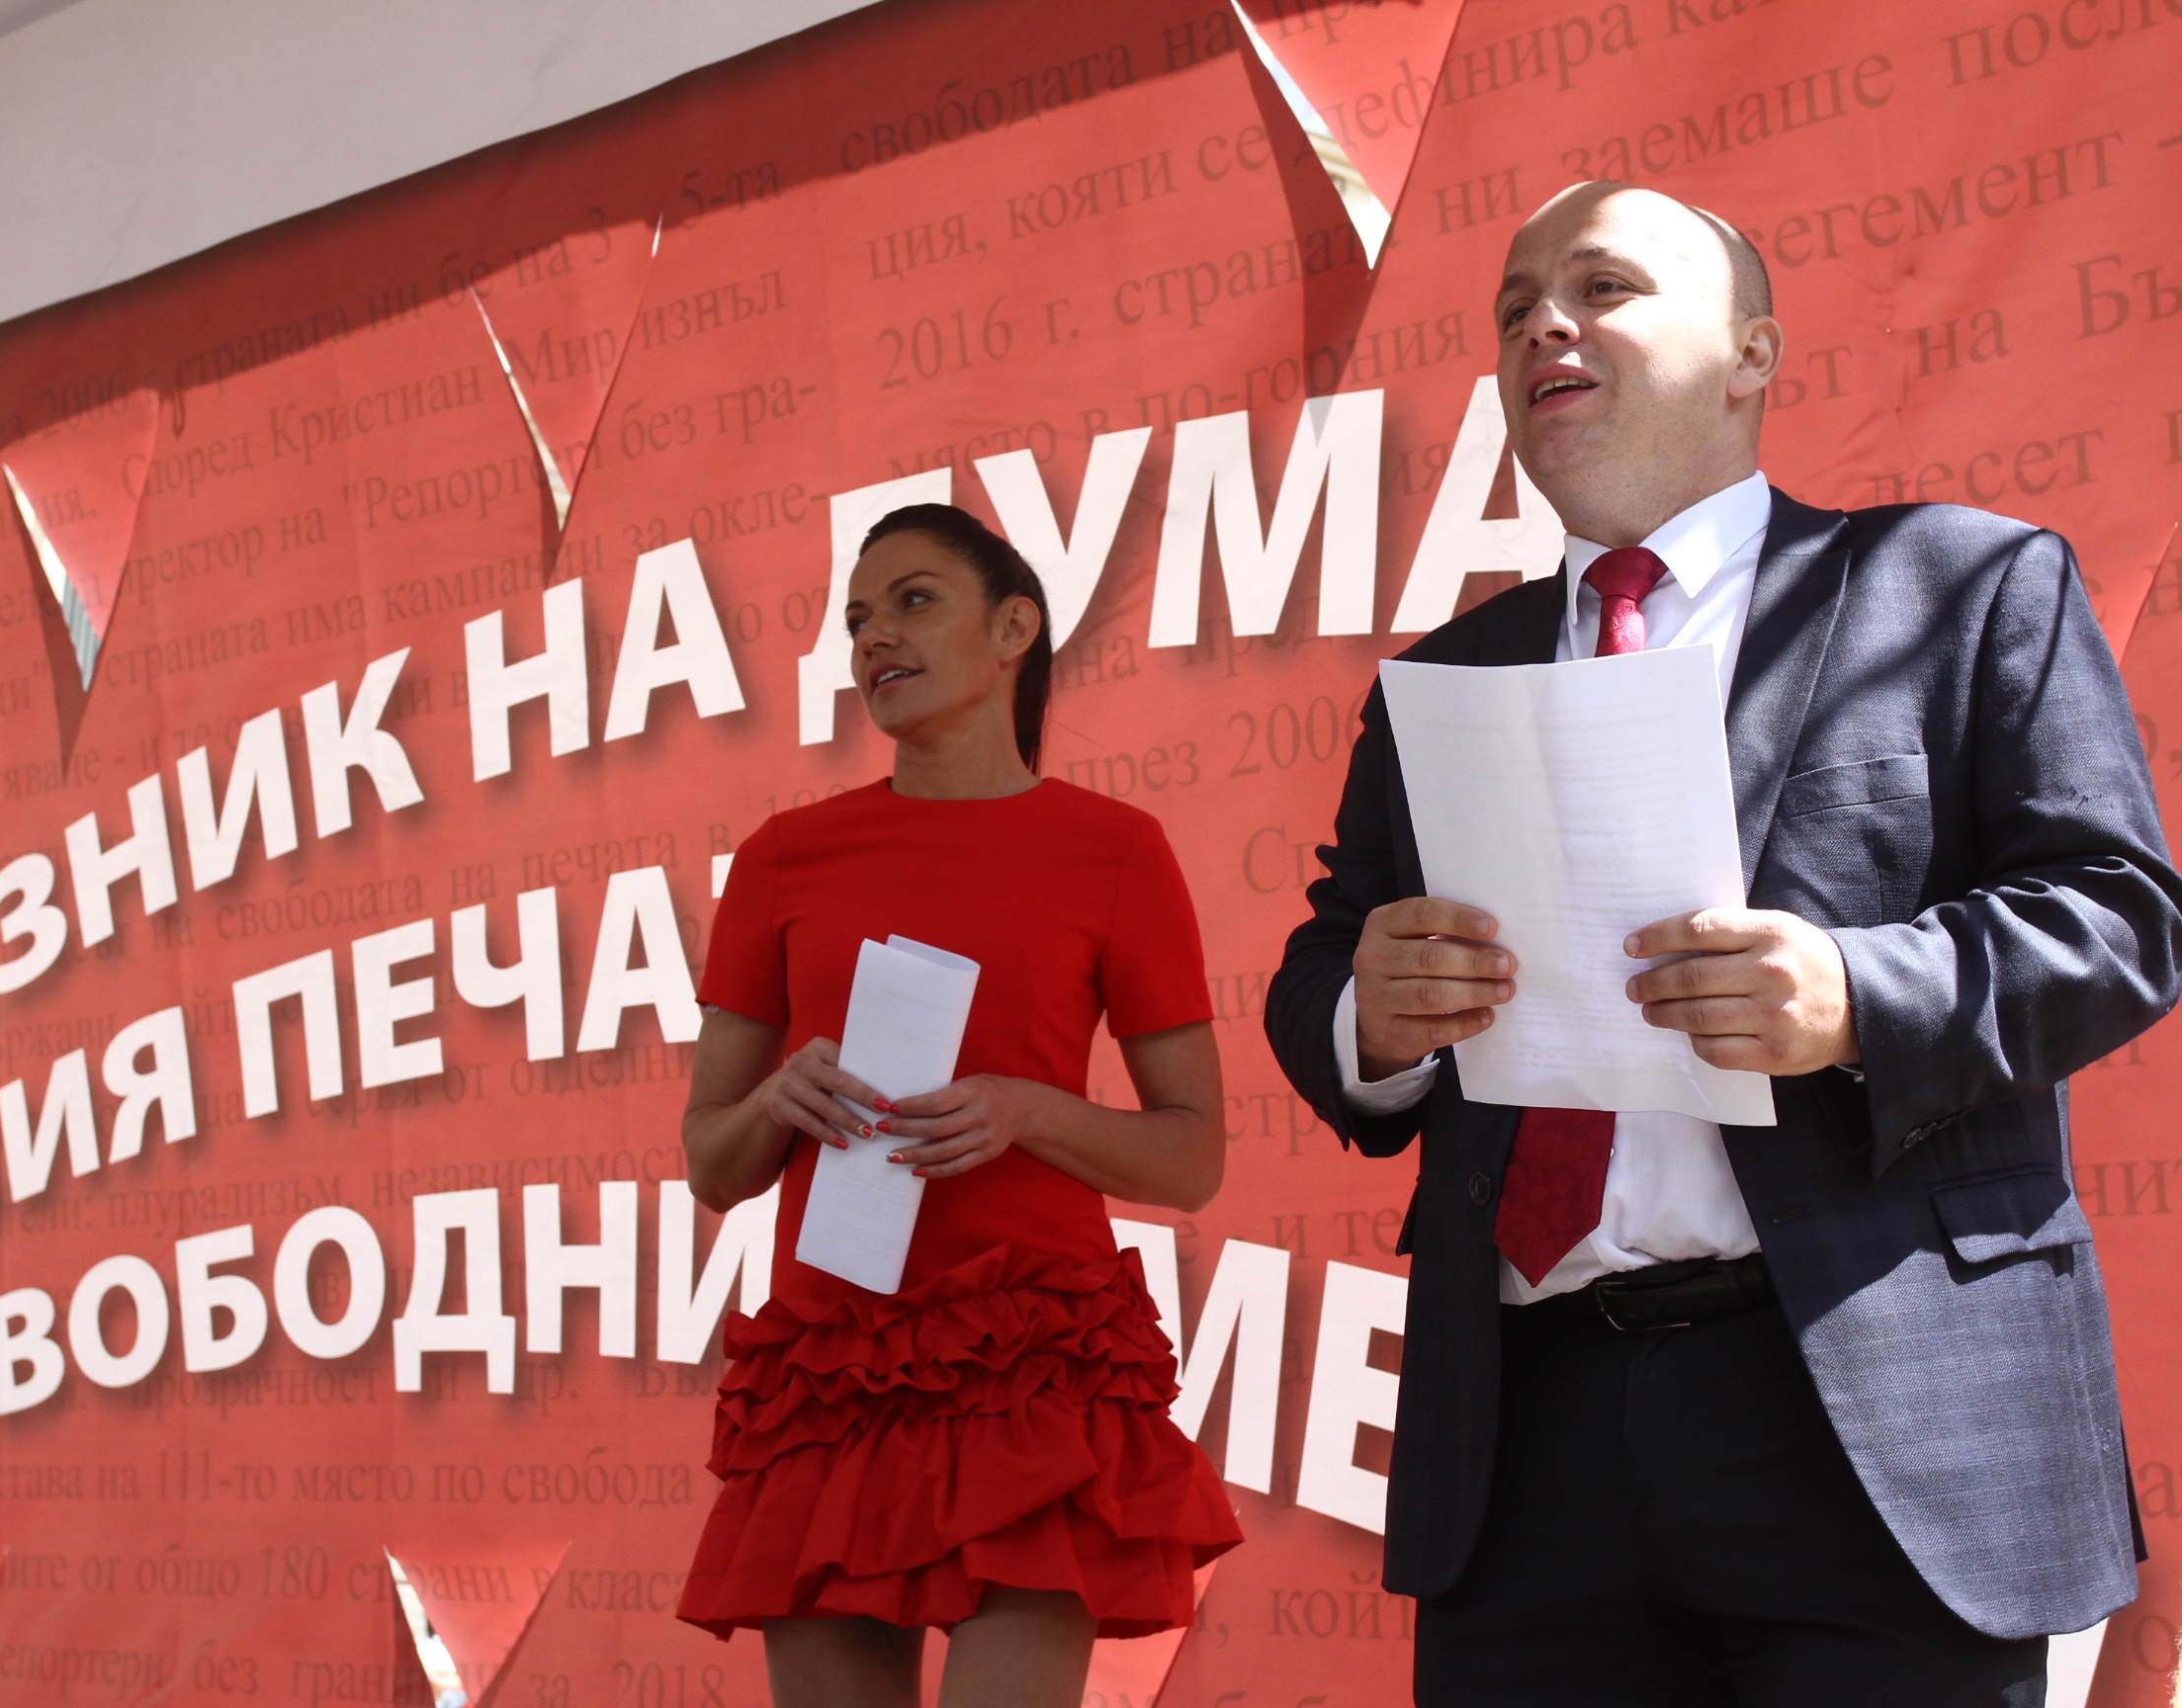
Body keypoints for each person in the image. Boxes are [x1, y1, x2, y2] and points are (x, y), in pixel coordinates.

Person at [1266, 181, 2182, 1705]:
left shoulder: (1960, 588)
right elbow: (1321, 975)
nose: (1544, 327)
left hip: (1873, 1411)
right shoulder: (1446, 679)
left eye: (1603, 287)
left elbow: (2119, 916)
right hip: (1530, 1437)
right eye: (1514, 308)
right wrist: (1374, 1017)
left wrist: (1856, 993)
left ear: (1753, 351)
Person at [675, 503, 1241, 1707]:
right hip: (833, 1368)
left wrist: (1028, 1110)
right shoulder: (781, 857)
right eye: (856, 620)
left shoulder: (1116, 849)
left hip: (1035, 1369)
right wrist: (779, 1097)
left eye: (914, 600)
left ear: (1014, 627)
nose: (874, 636)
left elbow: (1192, 1158)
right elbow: (713, 1166)